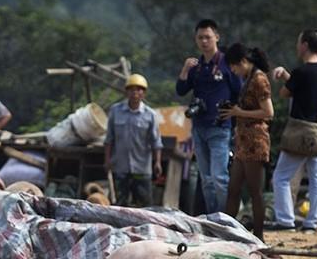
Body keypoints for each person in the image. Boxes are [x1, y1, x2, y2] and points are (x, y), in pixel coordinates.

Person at [176, 19, 242, 215]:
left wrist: (236, 120)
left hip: (220, 127)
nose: (204, 41)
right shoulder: (196, 66)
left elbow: (239, 91)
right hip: (199, 127)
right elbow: (180, 90)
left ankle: (227, 217)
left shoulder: (227, 64)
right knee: (206, 179)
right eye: (200, 38)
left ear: (217, 38)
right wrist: (184, 69)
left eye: (208, 37)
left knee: (220, 177)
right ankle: (213, 217)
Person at [267, 30, 317, 232]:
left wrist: (287, 78)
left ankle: (285, 220)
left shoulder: (301, 71)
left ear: (304, 45)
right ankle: (312, 223)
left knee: (281, 177)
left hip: (299, 131)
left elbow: (285, 92)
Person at [219, 44, 274, 240]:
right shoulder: (247, 78)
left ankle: (259, 234)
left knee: (255, 191)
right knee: (233, 189)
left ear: (243, 62)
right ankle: (226, 231)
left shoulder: (259, 79)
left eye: (234, 67)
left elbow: (268, 112)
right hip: (242, 141)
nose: (233, 71)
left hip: (255, 141)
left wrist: (239, 113)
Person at [103, 74, 163, 207]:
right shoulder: (115, 111)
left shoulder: (150, 115)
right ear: (126, 92)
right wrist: (107, 160)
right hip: (121, 167)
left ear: (144, 93)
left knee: (145, 205)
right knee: (120, 205)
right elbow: (109, 139)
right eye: (131, 89)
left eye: (139, 89)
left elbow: (156, 142)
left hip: (141, 169)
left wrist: (157, 162)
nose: (135, 93)